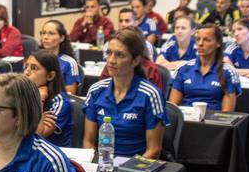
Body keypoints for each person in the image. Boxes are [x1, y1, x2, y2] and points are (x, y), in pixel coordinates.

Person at [83, 29, 169, 158]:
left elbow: (154, 150)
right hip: (103, 164)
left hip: (135, 168)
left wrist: (128, 171)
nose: (111, 60)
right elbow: (88, 142)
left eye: (120, 55)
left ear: (135, 61)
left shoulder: (150, 95)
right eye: (109, 53)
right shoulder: (96, 90)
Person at [169, 24, 242, 112]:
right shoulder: (183, 69)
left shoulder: (228, 72)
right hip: (186, 122)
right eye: (198, 39)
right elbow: (172, 110)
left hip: (215, 123)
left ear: (218, 43)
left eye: (207, 40)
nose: (200, 44)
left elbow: (227, 115)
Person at [25, 50, 74, 147]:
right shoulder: (23, 94)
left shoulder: (60, 102)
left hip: (54, 154)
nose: (26, 72)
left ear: (50, 76)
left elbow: (37, 136)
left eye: (34, 68)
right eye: (26, 66)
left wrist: (39, 100)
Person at [39, 20, 81, 94]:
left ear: (61, 38)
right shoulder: (34, 59)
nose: (45, 37)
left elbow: (70, 94)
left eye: (51, 33)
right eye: (43, 33)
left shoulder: (69, 63)